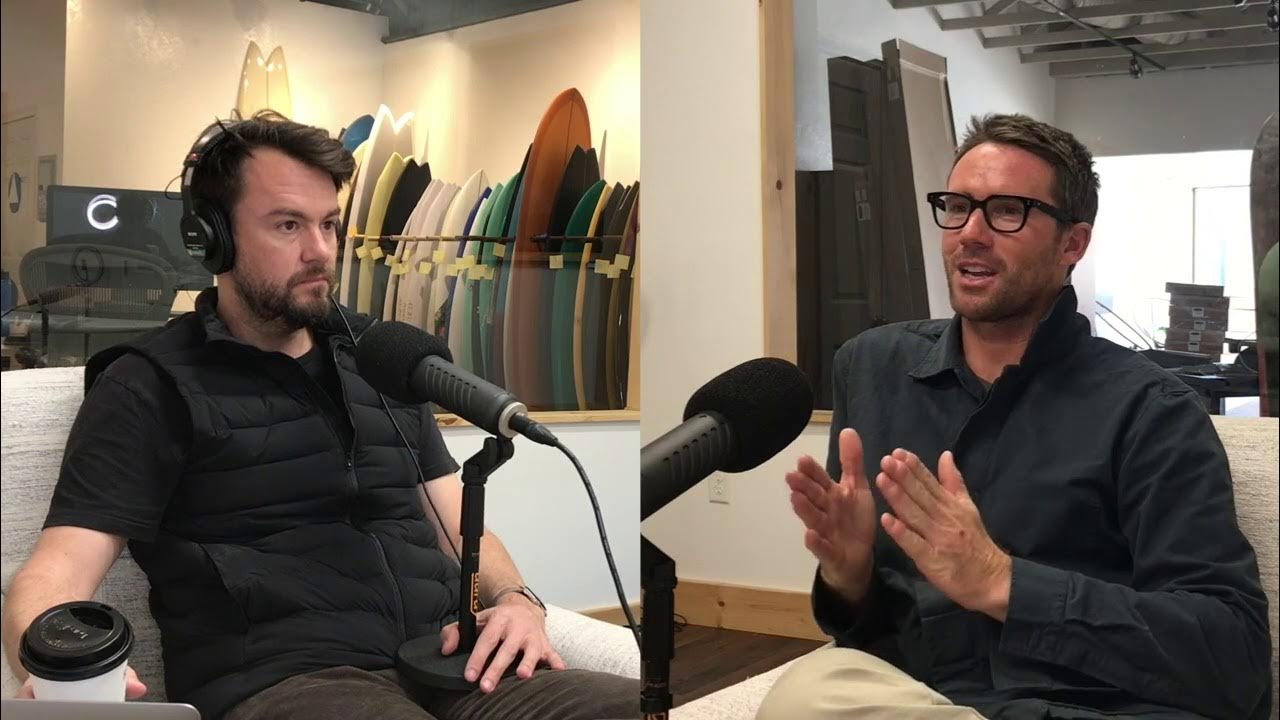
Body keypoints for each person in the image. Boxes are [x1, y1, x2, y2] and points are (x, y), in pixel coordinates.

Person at [2, 112, 636, 720]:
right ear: (212, 239)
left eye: (329, 224)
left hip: (449, 661)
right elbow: (59, 568)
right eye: (288, 225)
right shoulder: (150, 383)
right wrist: (55, 670)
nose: (320, 250)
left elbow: (457, 526)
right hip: (287, 681)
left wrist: (519, 601)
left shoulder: (385, 359)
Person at [761, 113, 1271, 720]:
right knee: (809, 687)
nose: (969, 234)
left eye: (1007, 211)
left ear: (1072, 244)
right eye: (957, 206)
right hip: (922, 698)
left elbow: (1234, 660)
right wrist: (850, 576)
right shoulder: (872, 368)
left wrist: (1003, 582)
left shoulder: (1150, 411)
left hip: (1086, 709)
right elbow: (870, 635)